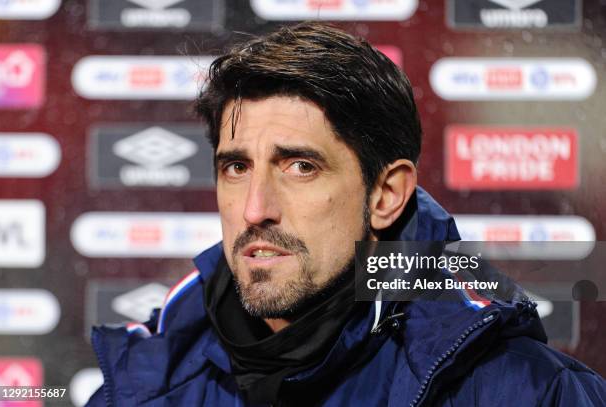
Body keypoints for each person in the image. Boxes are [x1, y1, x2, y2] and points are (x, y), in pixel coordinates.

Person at [87, 22, 605, 406]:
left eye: (300, 167)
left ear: (386, 195)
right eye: (237, 167)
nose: (255, 209)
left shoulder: (524, 391)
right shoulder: (144, 383)